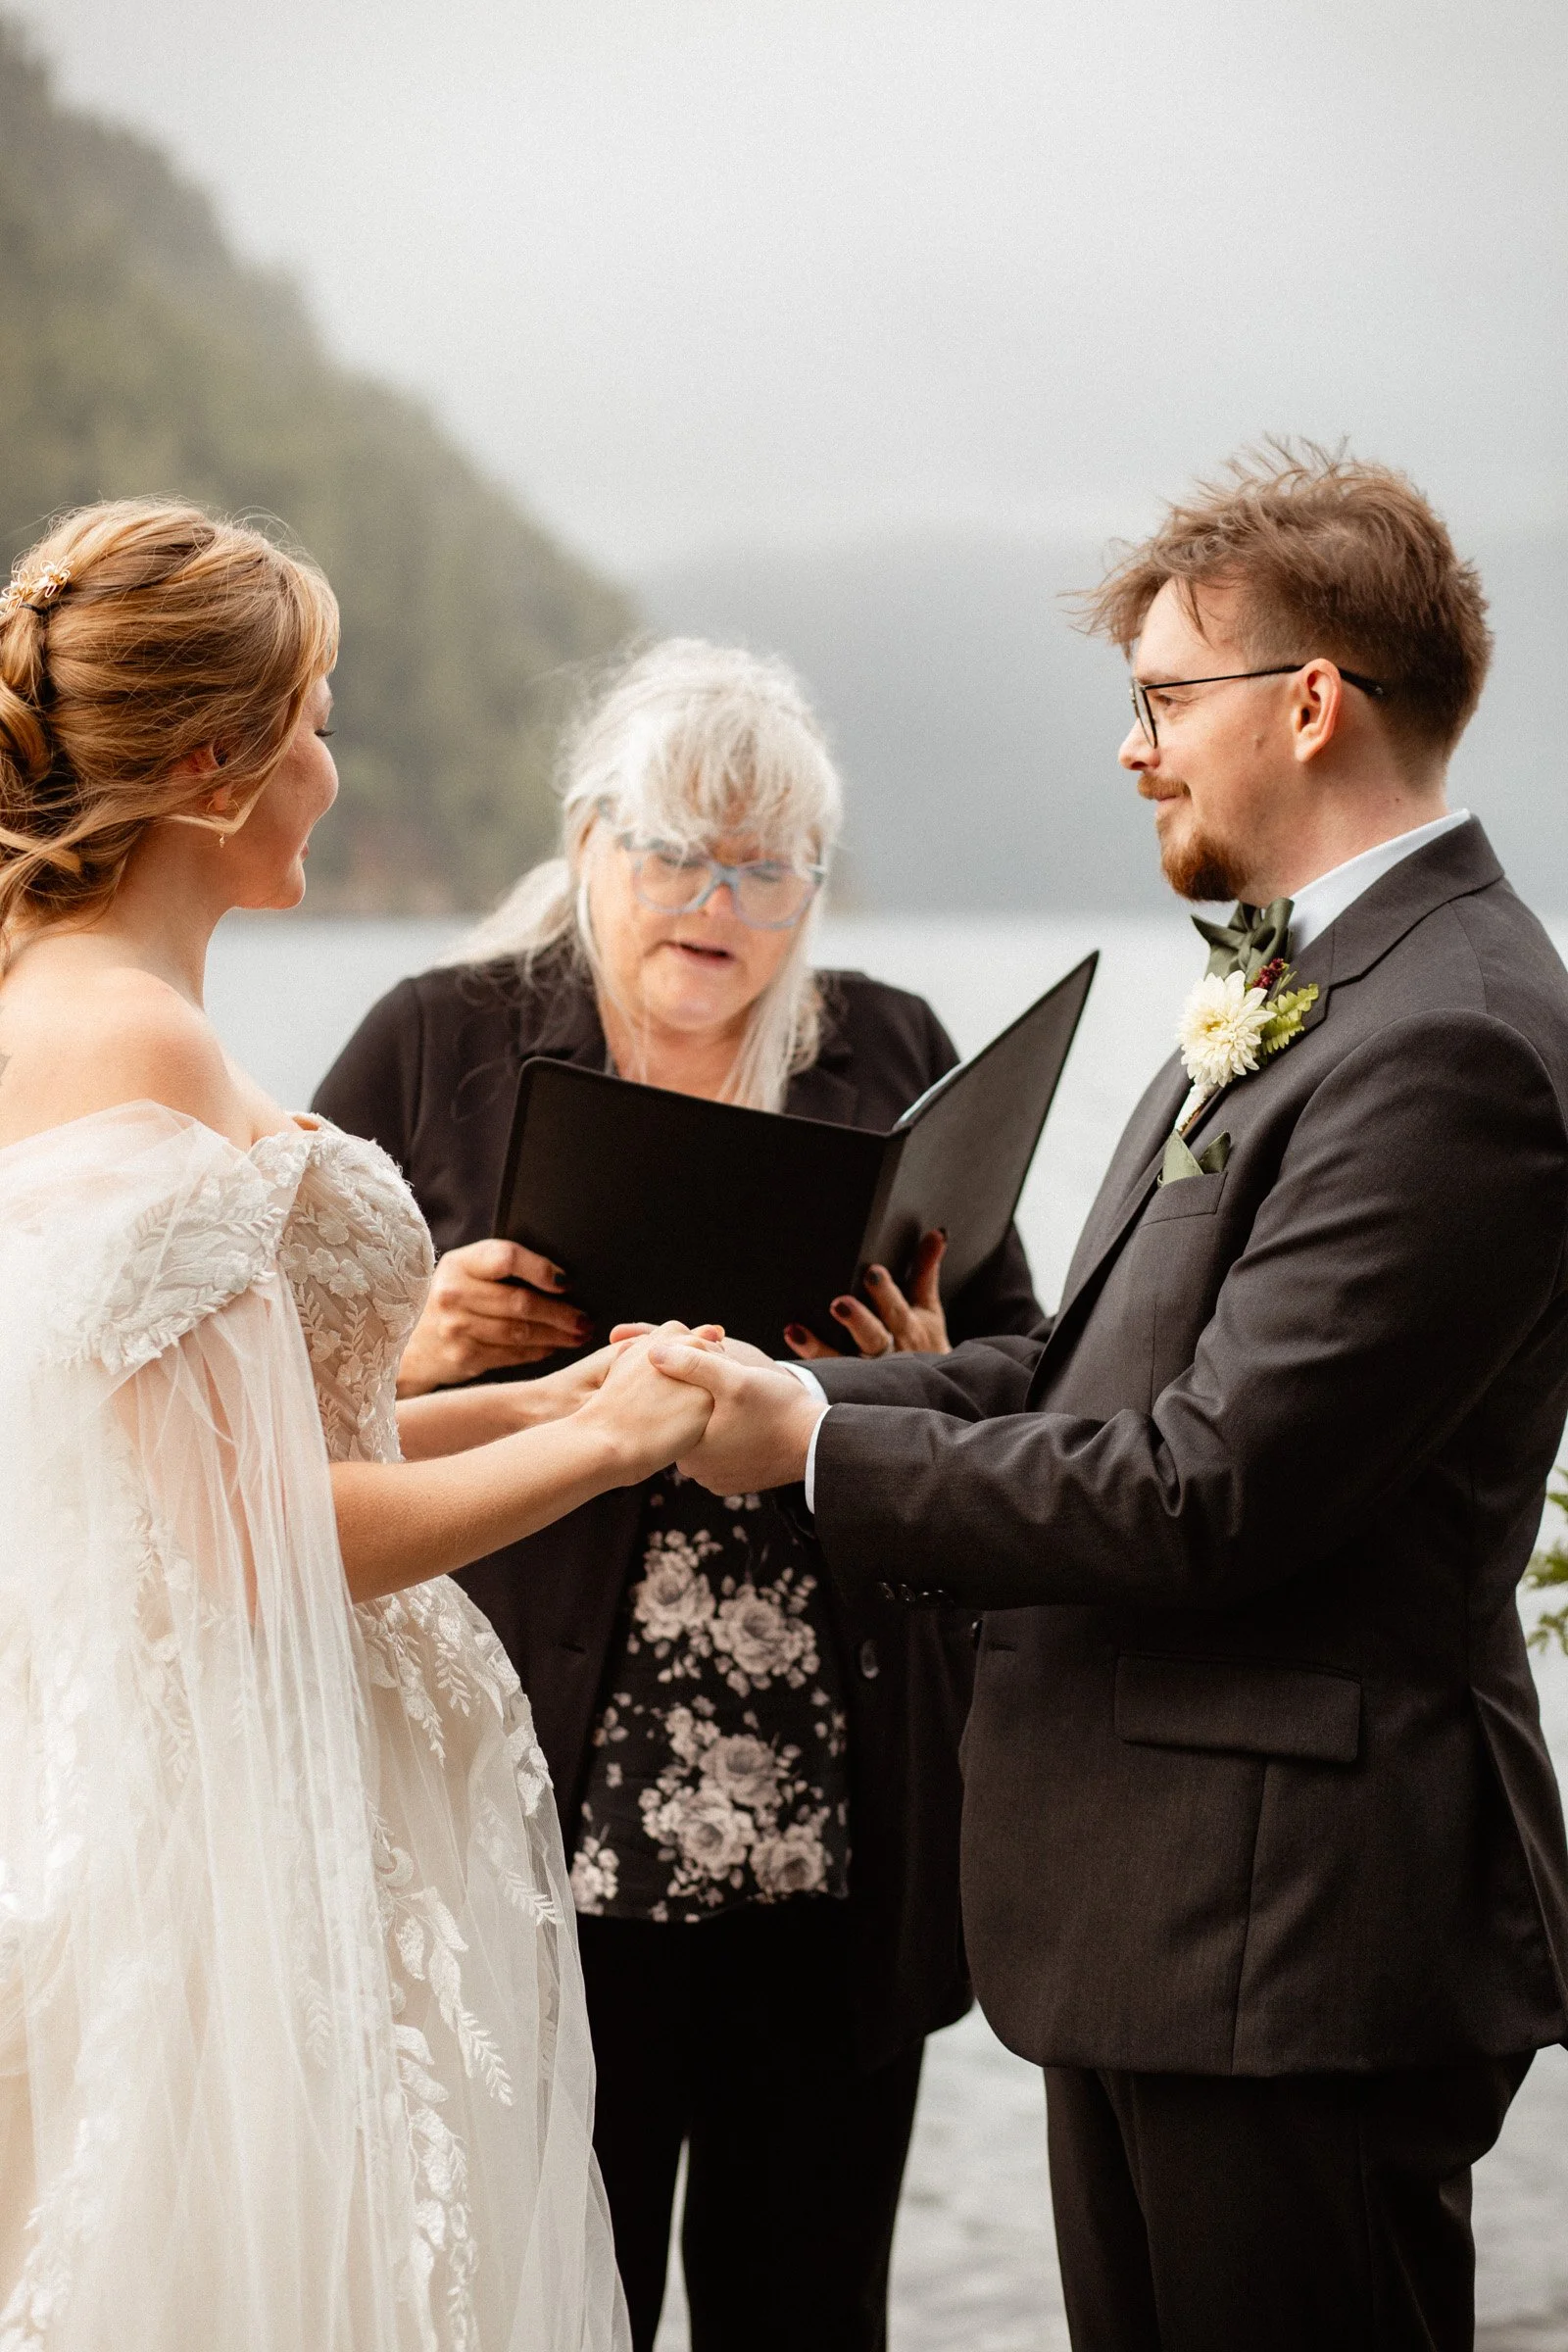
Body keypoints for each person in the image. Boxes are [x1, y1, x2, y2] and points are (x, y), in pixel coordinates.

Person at [651, 449, 1568, 2352]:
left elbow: (1203, 1486)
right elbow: (1101, 1375)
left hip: (1289, 1934)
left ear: (1304, 702)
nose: (1133, 751)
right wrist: (855, 1382)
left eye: (1161, 700)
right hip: (1165, 1922)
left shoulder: (1450, 1036)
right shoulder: (1318, 988)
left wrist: (816, 1452)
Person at [0, 501, 727, 2352]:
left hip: (339, 1791)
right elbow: (260, 1545)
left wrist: (548, 1385)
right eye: (317, 720)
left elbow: (266, 1421)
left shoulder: (117, 1010)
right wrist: (608, 1446)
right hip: (248, 1810)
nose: (336, 766)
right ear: (208, 762)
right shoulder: (125, 1041)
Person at [314, 637, 1043, 2352]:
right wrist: (413, 1353)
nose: (714, 899)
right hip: (540, 1823)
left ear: (809, 886)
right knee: (558, 2299)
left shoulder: (887, 1048)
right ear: (585, 843)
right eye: (672, 850)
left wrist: (915, 1360)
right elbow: (249, 1407)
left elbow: (1032, 1387)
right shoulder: (442, 1041)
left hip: (837, 1819)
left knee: (810, 2310)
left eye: (764, 866)